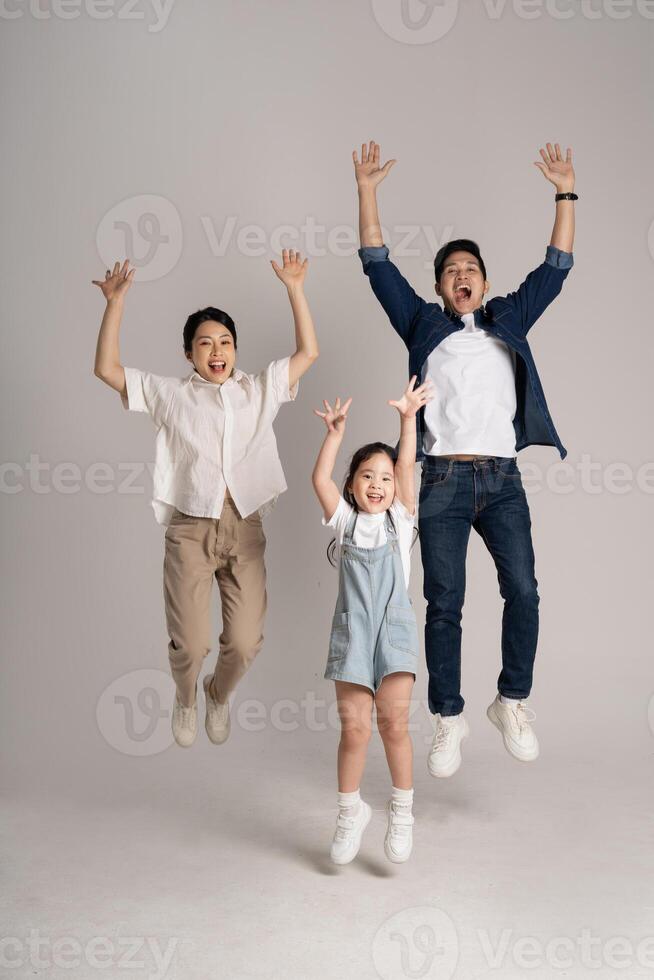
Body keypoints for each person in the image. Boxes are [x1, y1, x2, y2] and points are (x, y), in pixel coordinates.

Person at [353, 140, 576, 775]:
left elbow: (556, 267)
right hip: (443, 480)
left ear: (484, 279)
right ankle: (447, 719)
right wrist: (367, 189)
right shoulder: (423, 324)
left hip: (503, 480)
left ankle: (511, 701)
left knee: (525, 591)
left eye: (470, 268)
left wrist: (564, 191)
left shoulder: (511, 316)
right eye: (450, 270)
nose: (462, 276)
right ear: (440, 288)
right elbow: (376, 263)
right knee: (444, 602)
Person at [93, 250, 319, 748]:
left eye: (225, 342)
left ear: (235, 349)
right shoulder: (170, 394)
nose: (217, 351)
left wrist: (295, 289)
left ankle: (217, 694)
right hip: (190, 529)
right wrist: (115, 303)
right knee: (191, 645)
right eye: (205, 343)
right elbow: (107, 368)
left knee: (244, 643)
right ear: (188, 353)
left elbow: (307, 354)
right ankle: (186, 696)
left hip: (246, 528)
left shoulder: (258, 390)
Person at [311, 377, 433, 865]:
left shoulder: (401, 520)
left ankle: (402, 813)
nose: (378, 484)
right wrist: (335, 436)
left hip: (394, 631)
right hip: (353, 631)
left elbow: (407, 464)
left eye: (384, 477)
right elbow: (319, 481)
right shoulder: (344, 521)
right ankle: (348, 813)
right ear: (353, 485)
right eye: (366, 476)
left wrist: (408, 418)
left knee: (394, 727)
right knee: (354, 730)